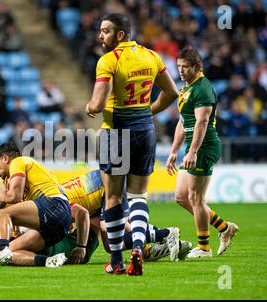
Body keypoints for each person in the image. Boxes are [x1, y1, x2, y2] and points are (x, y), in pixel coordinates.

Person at [85, 13, 179, 275]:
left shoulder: (108, 61)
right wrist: (150, 110)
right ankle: (137, 247)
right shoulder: (151, 56)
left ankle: (116, 261)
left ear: (120, 35)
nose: (100, 35)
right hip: (145, 131)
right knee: (139, 196)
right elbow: (172, 92)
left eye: (105, 31)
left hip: (115, 133)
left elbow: (98, 103)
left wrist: (90, 106)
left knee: (114, 197)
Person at [166, 47, 239, 258]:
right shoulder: (186, 88)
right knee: (181, 197)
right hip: (191, 148)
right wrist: (174, 151)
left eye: (185, 67)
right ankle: (225, 228)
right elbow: (183, 122)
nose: (180, 71)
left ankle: (204, 248)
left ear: (197, 67)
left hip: (204, 147)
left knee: (196, 198)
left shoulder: (203, 89)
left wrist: (193, 152)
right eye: (179, 66)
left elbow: (202, 121)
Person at [0, 142, 72, 268]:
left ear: (5, 158)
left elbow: (14, 196)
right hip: (59, 223)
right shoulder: (27, 172)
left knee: (1, 214)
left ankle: (0, 249)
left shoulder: (17, 162)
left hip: (54, 204)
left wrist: (1, 196)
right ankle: (49, 261)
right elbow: (20, 204)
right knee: (10, 252)